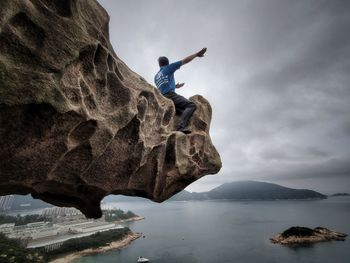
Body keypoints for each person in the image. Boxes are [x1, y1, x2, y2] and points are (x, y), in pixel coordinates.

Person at [154, 48, 207, 134]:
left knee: (183, 112)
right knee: (191, 105)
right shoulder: (169, 67)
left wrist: (175, 86)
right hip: (171, 95)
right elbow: (185, 61)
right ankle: (181, 127)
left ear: (159, 65)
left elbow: (162, 85)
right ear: (167, 63)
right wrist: (196, 55)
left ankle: (180, 121)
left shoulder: (156, 76)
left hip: (163, 98)